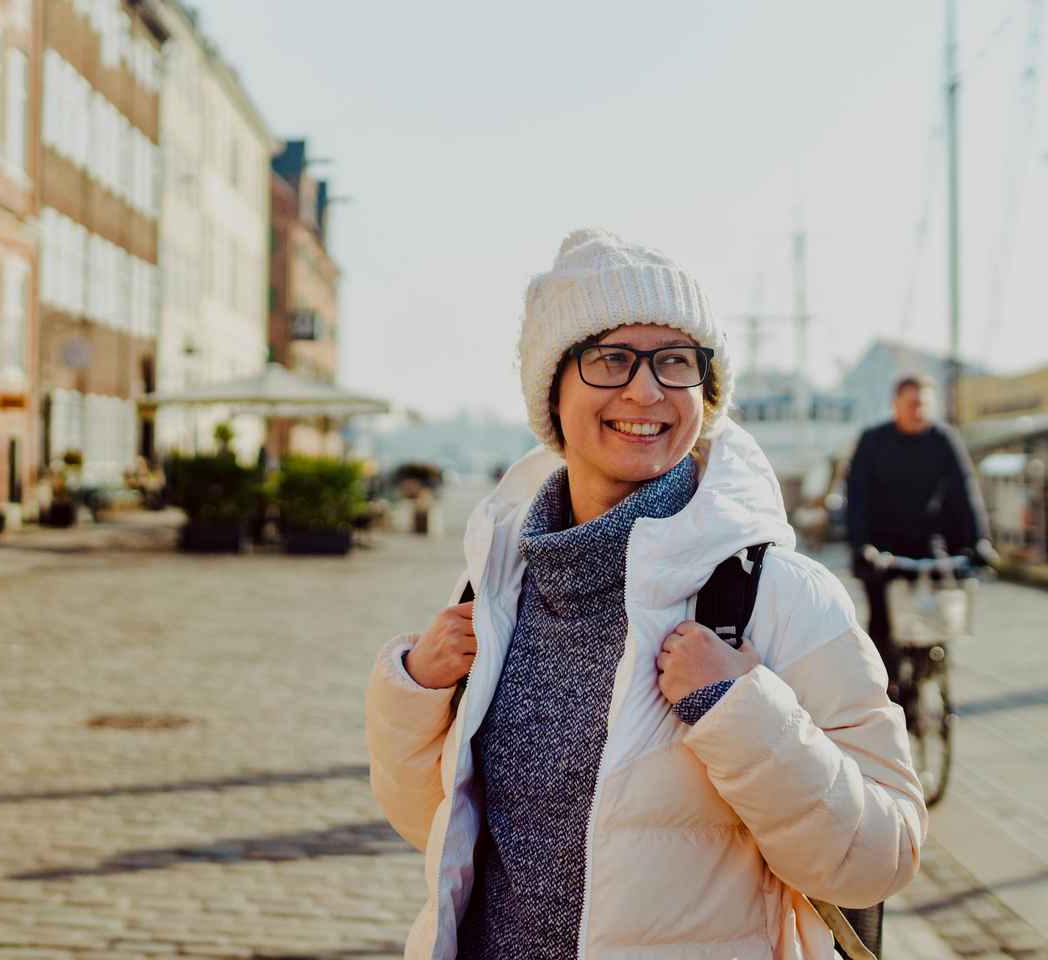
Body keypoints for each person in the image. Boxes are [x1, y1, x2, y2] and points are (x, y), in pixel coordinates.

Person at [365, 229, 924, 959]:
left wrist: (738, 711)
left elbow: (879, 857)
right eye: (610, 359)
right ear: (551, 393)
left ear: (706, 392)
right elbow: (434, 832)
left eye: (675, 361)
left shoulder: (779, 594)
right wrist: (412, 692)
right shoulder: (496, 584)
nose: (645, 389)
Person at [845, 375, 991, 700]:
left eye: (925, 403)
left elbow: (966, 491)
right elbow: (856, 497)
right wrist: (861, 545)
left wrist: (979, 541)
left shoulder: (943, 440)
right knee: (883, 624)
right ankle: (886, 690)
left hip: (929, 543)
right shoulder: (873, 441)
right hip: (881, 548)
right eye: (912, 403)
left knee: (940, 612)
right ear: (896, 405)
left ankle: (930, 668)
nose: (919, 410)